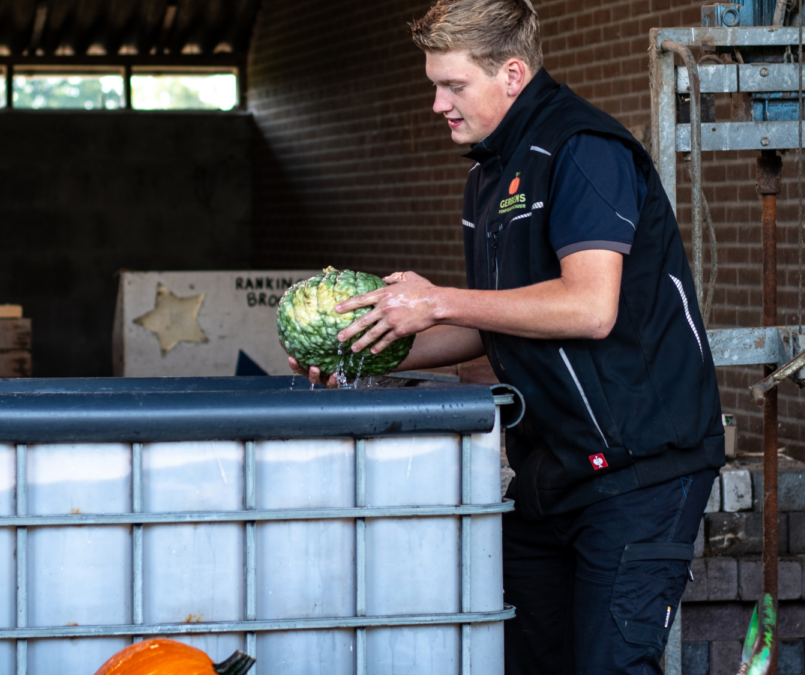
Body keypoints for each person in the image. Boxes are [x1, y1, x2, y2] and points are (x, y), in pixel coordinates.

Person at [288, 0, 726, 672]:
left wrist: (437, 299)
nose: (437, 103)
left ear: (513, 73)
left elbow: (589, 307)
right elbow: (489, 322)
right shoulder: (489, 177)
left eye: (453, 85)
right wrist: (363, 345)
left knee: (609, 664)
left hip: (638, 471)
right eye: (435, 83)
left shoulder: (584, 151)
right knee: (520, 659)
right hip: (548, 467)